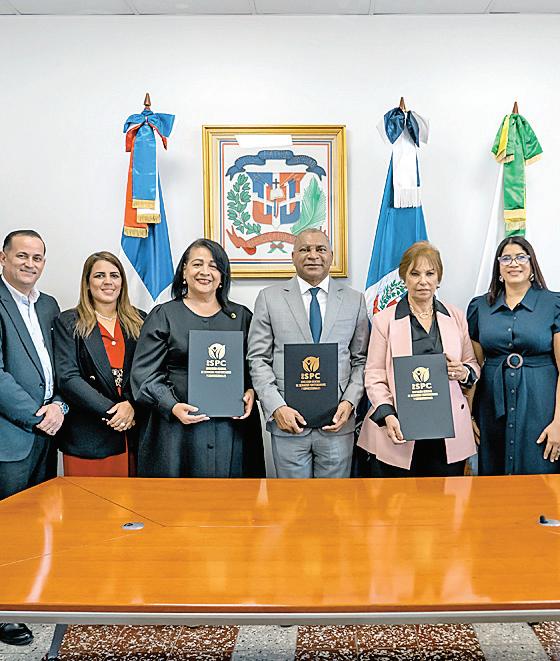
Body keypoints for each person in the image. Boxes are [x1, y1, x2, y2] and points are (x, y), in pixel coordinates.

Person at [131, 238, 264, 478]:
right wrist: (171, 405)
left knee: (233, 497)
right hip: (176, 431)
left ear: (222, 275)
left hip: (231, 430)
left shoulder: (242, 316)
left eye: (213, 266)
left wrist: (251, 391)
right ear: (184, 271)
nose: (205, 272)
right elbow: (144, 375)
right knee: (179, 499)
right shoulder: (164, 315)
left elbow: (256, 367)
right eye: (197, 264)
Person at [248, 228, 369, 478]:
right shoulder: (269, 298)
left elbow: (361, 359)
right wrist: (276, 407)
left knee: (334, 500)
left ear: (331, 256)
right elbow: (258, 359)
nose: (313, 255)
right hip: (288, 422)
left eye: (320, 249)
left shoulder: (355, 300)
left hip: (337, 422)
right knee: (292, 500)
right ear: (293, 256)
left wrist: (349, 402)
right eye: (304, 249)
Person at [357, 241, 479, 477]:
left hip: (447, 431)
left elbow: (472, 364)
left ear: (438, 278)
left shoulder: (455, 316)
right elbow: (374, 375)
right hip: (398, 427)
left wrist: (464, 371)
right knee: (398, 499)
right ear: (404, 278)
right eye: (415, 274)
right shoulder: (384, 320)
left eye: (430, 273)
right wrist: (388, 414)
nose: (423, 281)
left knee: (443, 499)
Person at [0, 229, 67, 647]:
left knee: (36, 525)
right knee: (6, 527)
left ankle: (28, 596)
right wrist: (36, 415)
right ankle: (5, 611)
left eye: (37, 257)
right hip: (12, 434)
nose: (30, 264)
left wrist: (59, 404)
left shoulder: (48, 305)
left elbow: (58, 365)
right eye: (22, 256)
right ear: (3, 258)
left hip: (48, 431)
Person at [467, 236, 560, 475]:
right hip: (491, 408)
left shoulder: (554, 304)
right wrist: (468, 415)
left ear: (532, 264)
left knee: (540, 475)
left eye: (521, 257)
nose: (513, 263)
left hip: (542, 408)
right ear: (498, 267)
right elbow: (473, 366)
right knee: (494, 480)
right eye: (506, 259)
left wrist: (559, 423)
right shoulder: (480, 307)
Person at [53, 252, 144, 476]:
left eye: (114, 275)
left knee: (134, 498)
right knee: (88, 498)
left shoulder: (141, 320)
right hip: (89, 435)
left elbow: (149, 372)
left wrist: (131, 406)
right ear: (87, 283)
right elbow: (68, 378)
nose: (108, 282)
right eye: (99, 276)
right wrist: (115, 413)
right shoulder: (69, 322)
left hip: (134, 433)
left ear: (122, 282)